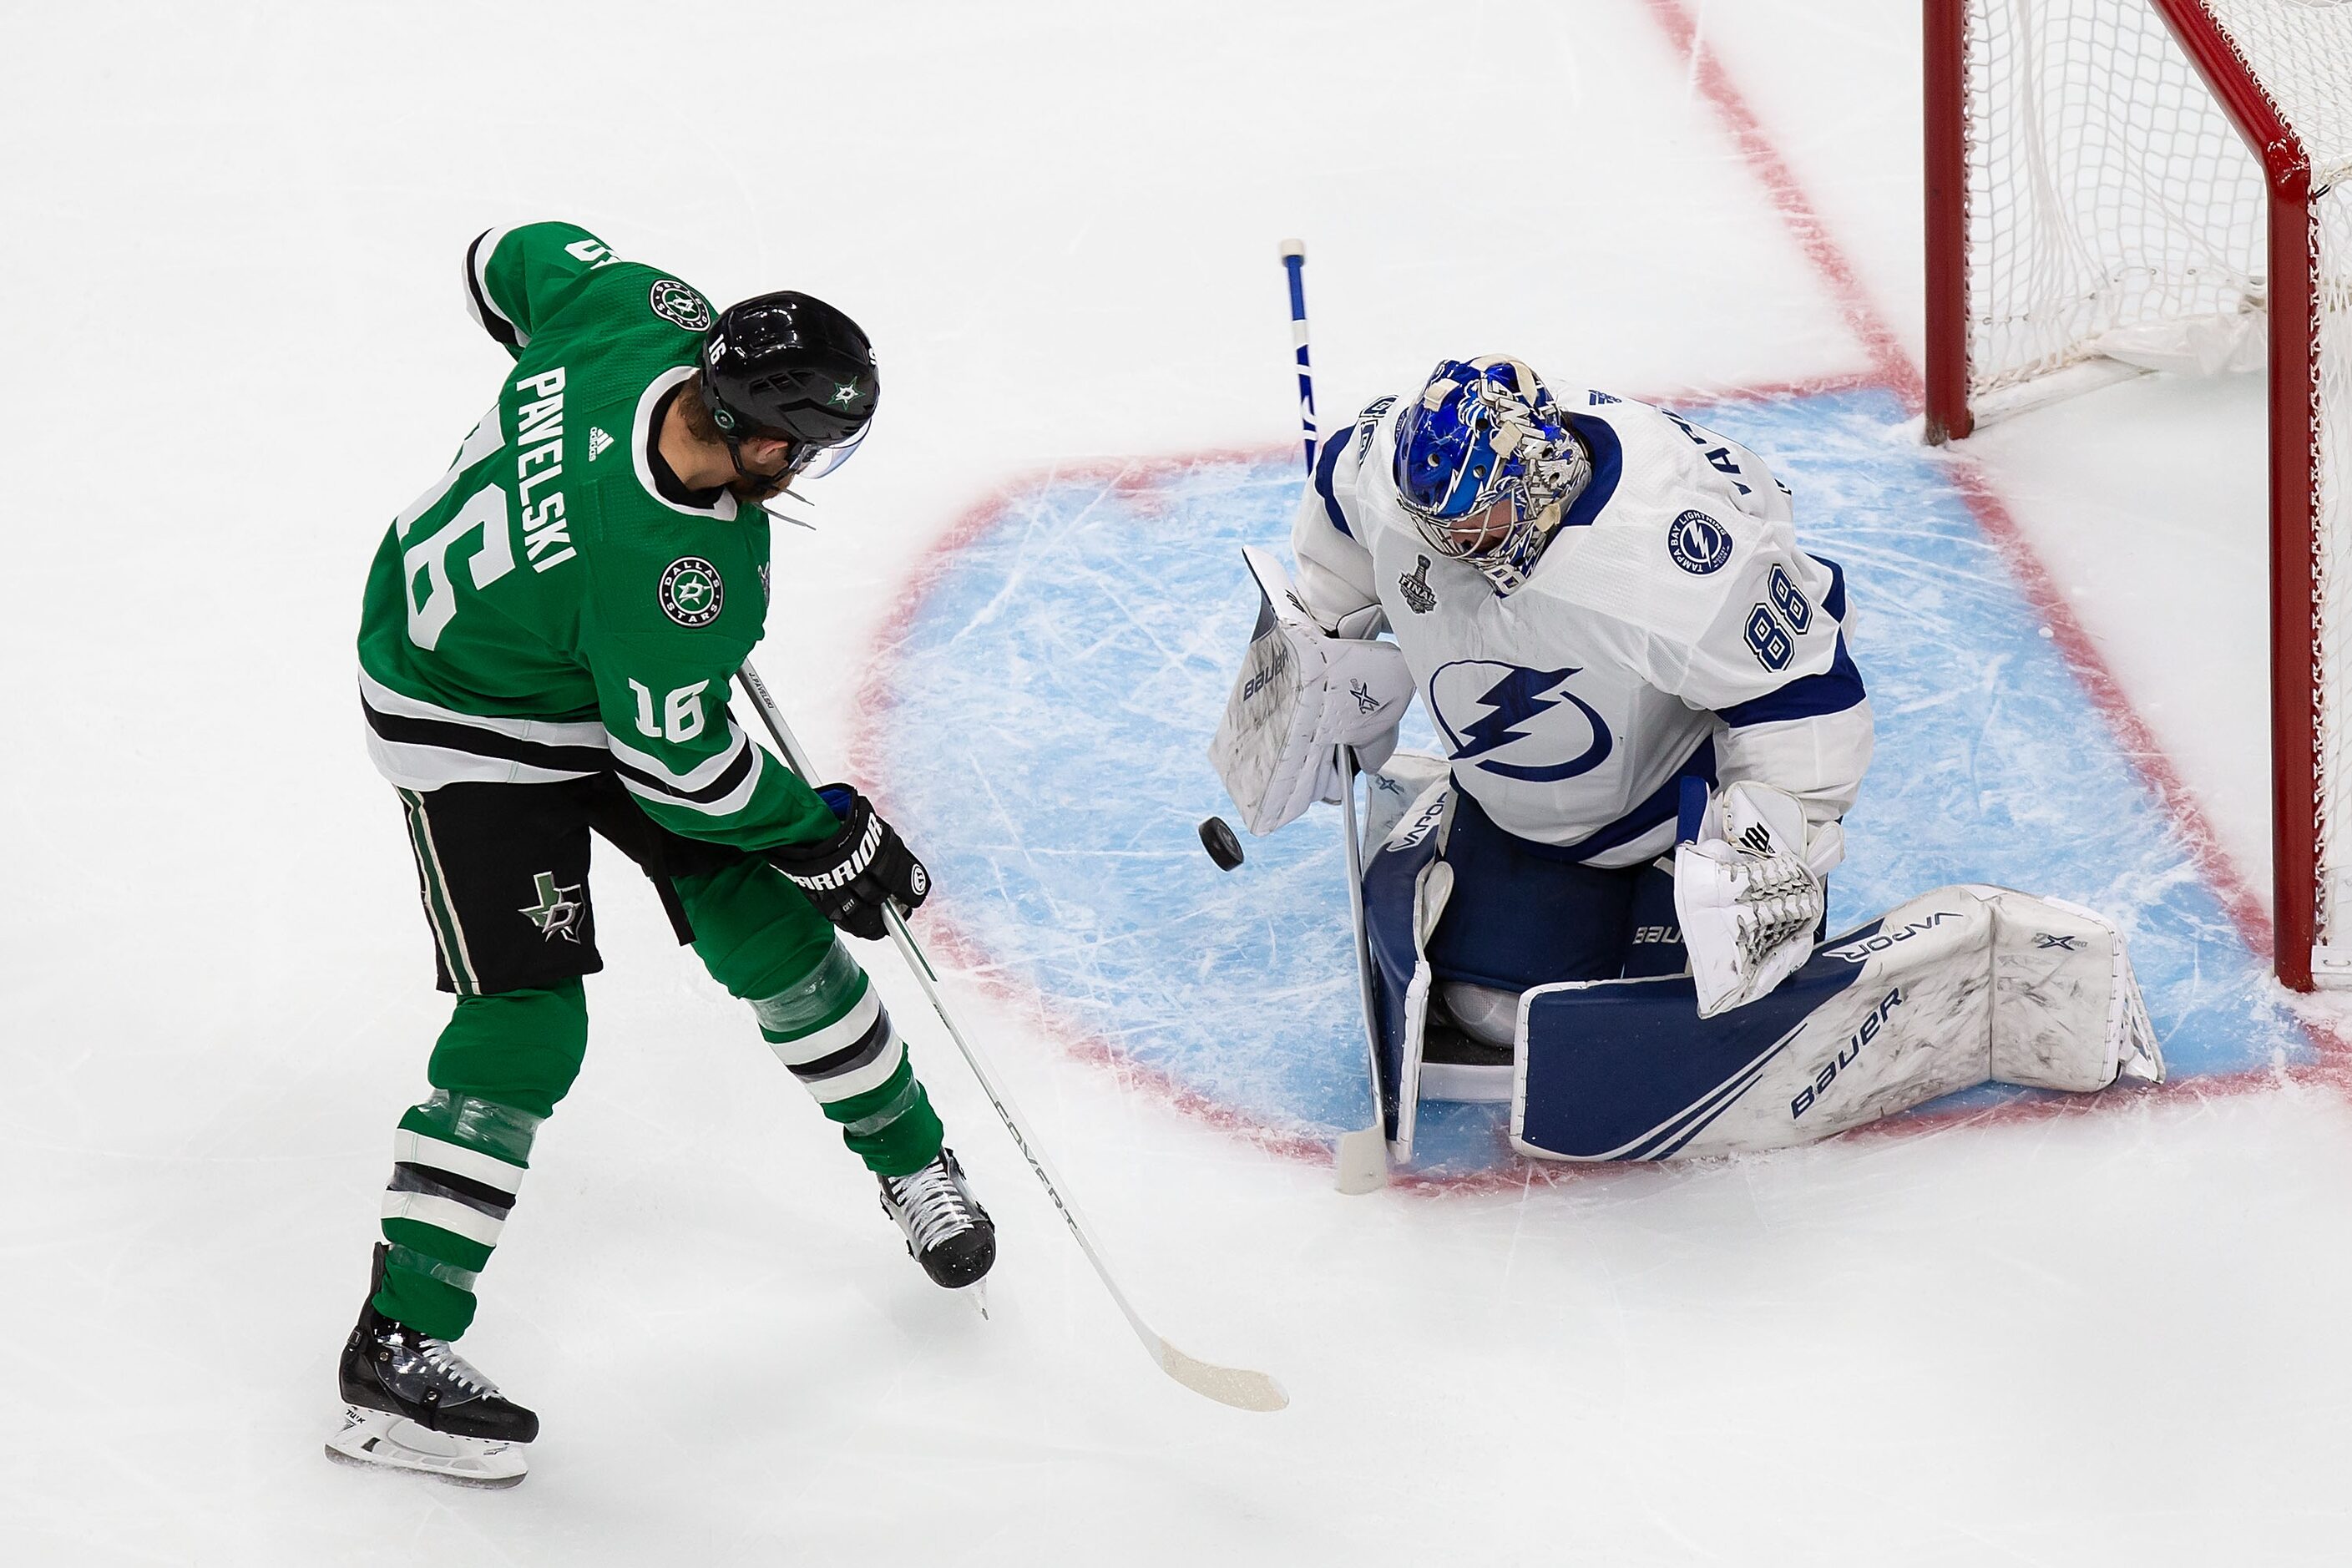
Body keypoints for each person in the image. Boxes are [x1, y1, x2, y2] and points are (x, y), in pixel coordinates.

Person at [332, 222, 993, 1486]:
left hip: (575, 657)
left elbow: (501, 256)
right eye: (799, 448)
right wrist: (821, 833)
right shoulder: (682, 575)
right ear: (753, 430)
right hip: (464, 717)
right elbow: (683, 776)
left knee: (776, 942)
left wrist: (548, 457)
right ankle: (393, 1355)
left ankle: (917, 1170)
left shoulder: (641, 311)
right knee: (527, 1027)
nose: (803, 470)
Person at [1210, 357, 2161, 1161]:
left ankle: (1703, 887)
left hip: (1671, 799)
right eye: (1439, 528)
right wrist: (1322, 645)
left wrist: (1774, 840)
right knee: (1486, 1009)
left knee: (1691, 985)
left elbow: (1803, 688)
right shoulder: (1390, 479)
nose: (1457, 549)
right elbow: (1341, 516)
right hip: (1520, 803)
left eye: (1480, 525)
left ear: (1538, 478)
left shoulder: (1670, 557)